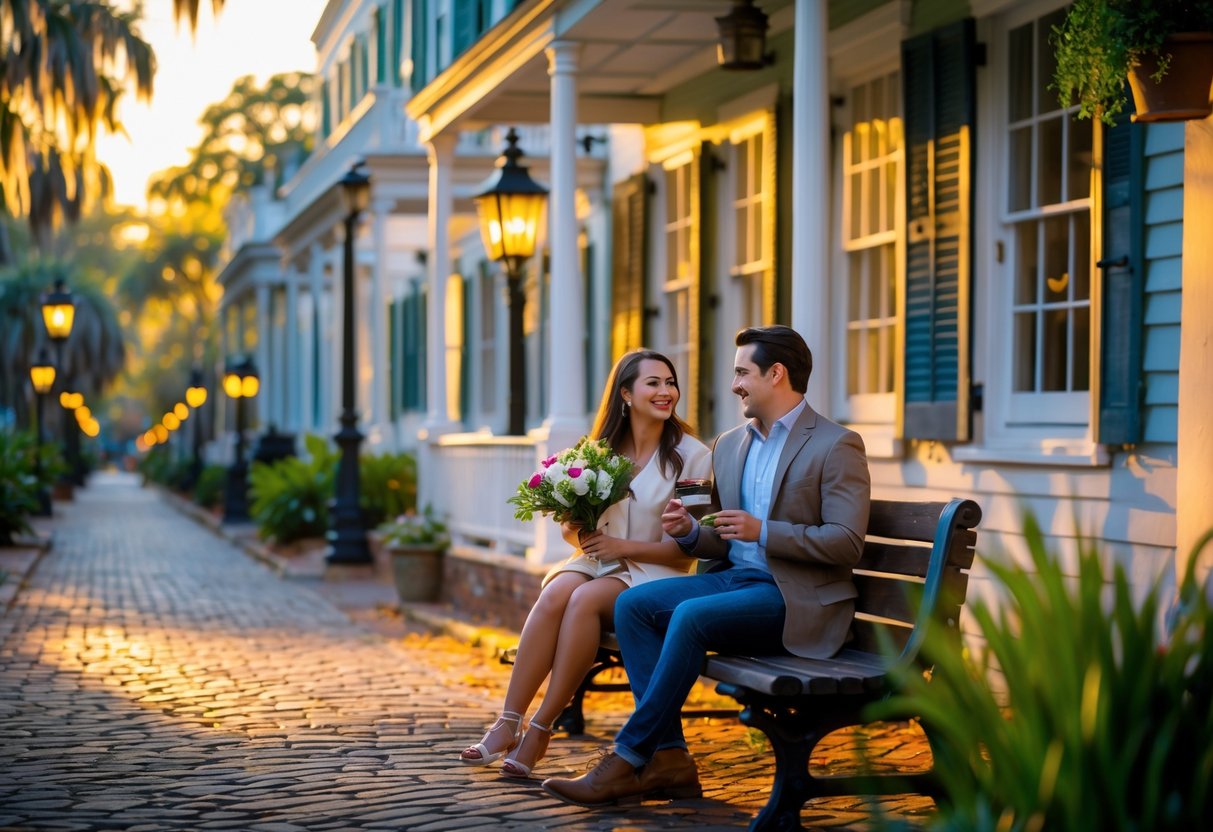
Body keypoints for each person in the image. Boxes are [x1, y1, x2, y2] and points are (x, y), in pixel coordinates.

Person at [541, 325, 871, 806]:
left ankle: (629, 755)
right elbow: (718, 541)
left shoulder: (835, 444)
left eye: (742, 373)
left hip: (796, 597)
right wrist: (689, 534)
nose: (734, 384)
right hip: (736, 581)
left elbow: (846, 544)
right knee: (634, 605)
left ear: (776, 374)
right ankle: (672, 757)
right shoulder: (731, 444)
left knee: (690, 617)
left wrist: (764, 531)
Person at [459, 349, 711, 779]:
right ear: (626, 394)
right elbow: (570, 529)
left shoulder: (692, 456)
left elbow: (685, 550)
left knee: (584, 601)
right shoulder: (598, 452)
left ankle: (541, 729)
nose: (666, 391)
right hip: (598, 561)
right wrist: (586, 537)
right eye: (653, 383)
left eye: (670, 382)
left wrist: (620, 547)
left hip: (653, 573)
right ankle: (508, 721)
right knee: (557, 590)